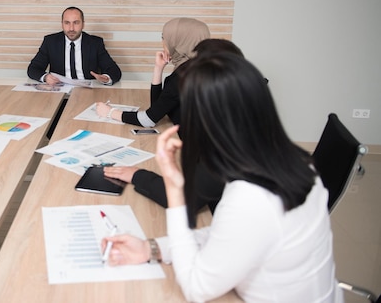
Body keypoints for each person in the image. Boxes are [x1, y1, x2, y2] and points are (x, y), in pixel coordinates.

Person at [102, 53, 342, 302]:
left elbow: (197, 288)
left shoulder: (251, 195)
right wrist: (152, 248)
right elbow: (225, 233)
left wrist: (175, 191)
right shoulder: (293, 161)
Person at [103, 38, 246, 211]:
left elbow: (183, 199)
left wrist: (136, 175)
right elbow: (159, 107)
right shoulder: (239, 114)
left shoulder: (229, 142)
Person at [95, 17, 209, 125]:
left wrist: (110, 112)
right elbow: (158, 108)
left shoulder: (183, 76)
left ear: (178, 41)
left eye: (164, 37)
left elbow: (149, 119)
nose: (163, 42)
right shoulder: (204, 68)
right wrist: (158, 68)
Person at [27, 6, 122, 85]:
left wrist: (106, 78)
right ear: (62, 24)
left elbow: (114, 71)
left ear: (83, 24)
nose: (71, 28)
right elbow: (33, 69)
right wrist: (46, 77)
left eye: (76, 23)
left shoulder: (95, 43)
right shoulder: (50, 42)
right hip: (59, 91)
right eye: (67, 23)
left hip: (87, 92)